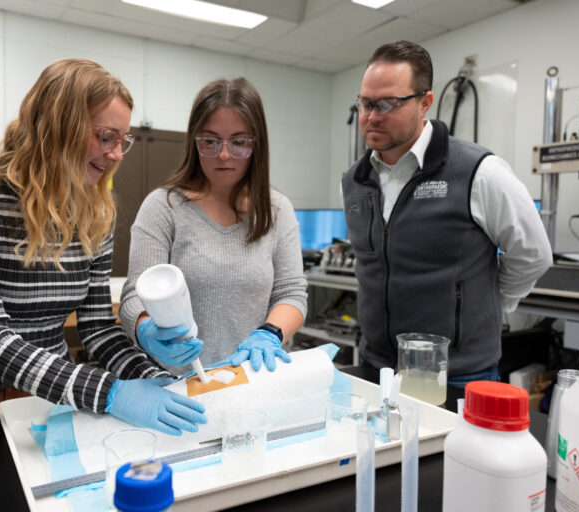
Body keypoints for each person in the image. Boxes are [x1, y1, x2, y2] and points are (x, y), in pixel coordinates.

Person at [0, 58, 206, 436]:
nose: (117, 155)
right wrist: (112, 393)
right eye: (106, 137)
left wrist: (155, 378)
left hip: (51, 401)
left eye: (123, 141)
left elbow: (97, 329)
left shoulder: (93, 216)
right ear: (58, 127)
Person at [341, 41, 552, 386]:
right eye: (366, 103)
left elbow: (532, 254)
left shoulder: (478, 171)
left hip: (458, 373)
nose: (372, 115)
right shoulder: (355, 181)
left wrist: (494, 303)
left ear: (425, 102)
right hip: (377, 367)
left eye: (388, 104)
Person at [119, 77, 308, 375]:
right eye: (209, 141)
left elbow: (292, 293)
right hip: (176, 385)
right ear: (193, 141)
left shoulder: (277, 210)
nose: (223, 154)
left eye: (239, 142)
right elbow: (133, 296)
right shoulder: (163, 207)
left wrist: (270, 333)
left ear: (257, 144)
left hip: (251, 379)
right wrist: (147, 332)